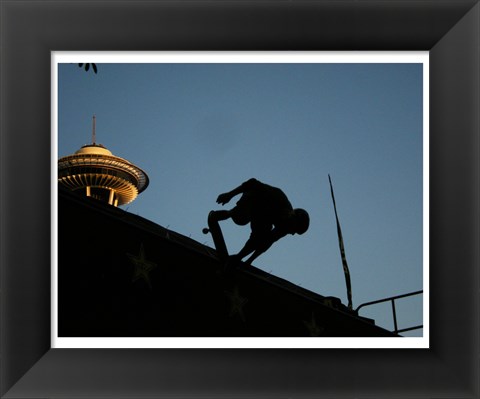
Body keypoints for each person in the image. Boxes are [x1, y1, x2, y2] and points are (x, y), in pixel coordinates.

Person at [209, 178, 309, 265]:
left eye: (294, 232)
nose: (291, 233)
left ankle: (231, 214)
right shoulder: (279, 196)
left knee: (261, 236)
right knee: (241, 219)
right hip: (253, 199)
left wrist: (245, 259)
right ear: (292, 216)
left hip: (263, 217)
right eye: (294, 230)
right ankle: (228, 214)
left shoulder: (284, 228)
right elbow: (252, 183)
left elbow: (265, 244)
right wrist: (229, 194)